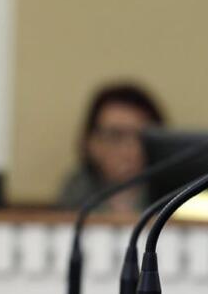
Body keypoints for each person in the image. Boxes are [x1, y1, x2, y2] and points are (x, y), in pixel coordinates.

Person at [57, 82, 166, 214]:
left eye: (142, 137)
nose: (131, 150)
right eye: (116, 136)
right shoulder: (76, 192)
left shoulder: (172, 193)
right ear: (91, 143)